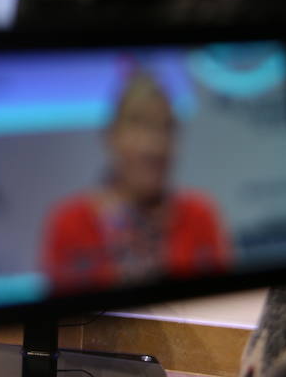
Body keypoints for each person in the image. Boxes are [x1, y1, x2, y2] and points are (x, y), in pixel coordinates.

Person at [41, 69, 229, 292]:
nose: (155, 145)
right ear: (112, 135)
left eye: (166, 128)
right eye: (140, 125)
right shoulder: (69, 222)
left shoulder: (200, 214)